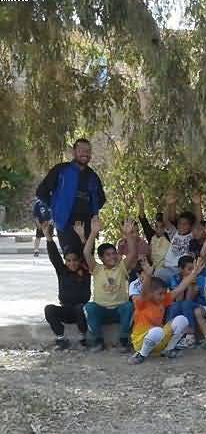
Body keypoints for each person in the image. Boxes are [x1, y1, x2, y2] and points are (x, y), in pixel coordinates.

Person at [35, 138, 106, 257]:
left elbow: (101, 199)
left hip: (87, 225)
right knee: (71, 261)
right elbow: (41, 192)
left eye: (88, 151)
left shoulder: (92, 175)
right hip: (66, 223)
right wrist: (57, 207)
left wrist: (92, 214)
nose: (85, 153)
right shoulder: (61, 170)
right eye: (81, 150)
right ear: (74, 152)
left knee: (88, 260)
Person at [128, 257, 204, 364]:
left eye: (164, 293)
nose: (163, 296)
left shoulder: (163, 300)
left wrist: (194, 273)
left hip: (158, 341)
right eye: (160, 294)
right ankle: (141, 354)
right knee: (157, 331)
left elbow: (181, 287)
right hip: (140, 342)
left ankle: (168, 350)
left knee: (182, 320)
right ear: (150, 293)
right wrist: (148, 275)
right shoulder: (142, 303)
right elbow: (144, 292)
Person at [82, 216, 137, 351]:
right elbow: (86, 253)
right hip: (102, 311)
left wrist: (128, 235)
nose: (112, 256)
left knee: (128, 306)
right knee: (89, 307)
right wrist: (93, 233)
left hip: (119, 311)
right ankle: (98, 340)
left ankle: (123, 340)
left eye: (113, 253)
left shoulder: (121, 268)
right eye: (108, 254)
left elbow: (132, 252)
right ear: (101, 258)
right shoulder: (97, 269)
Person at [41, 221, 90, 349]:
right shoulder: (62, 271)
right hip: (66, 310)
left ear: (79, 260)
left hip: (82, 312)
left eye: (75, 260)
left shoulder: (85, 270)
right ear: (65, 261)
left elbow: (87, 254)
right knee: (49, 309)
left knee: (79, 308)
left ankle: (83, 337)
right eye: (68, 260)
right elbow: (54, 256)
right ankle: (61, 338)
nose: (72, 263)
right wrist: (49, 238)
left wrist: (82, 237)